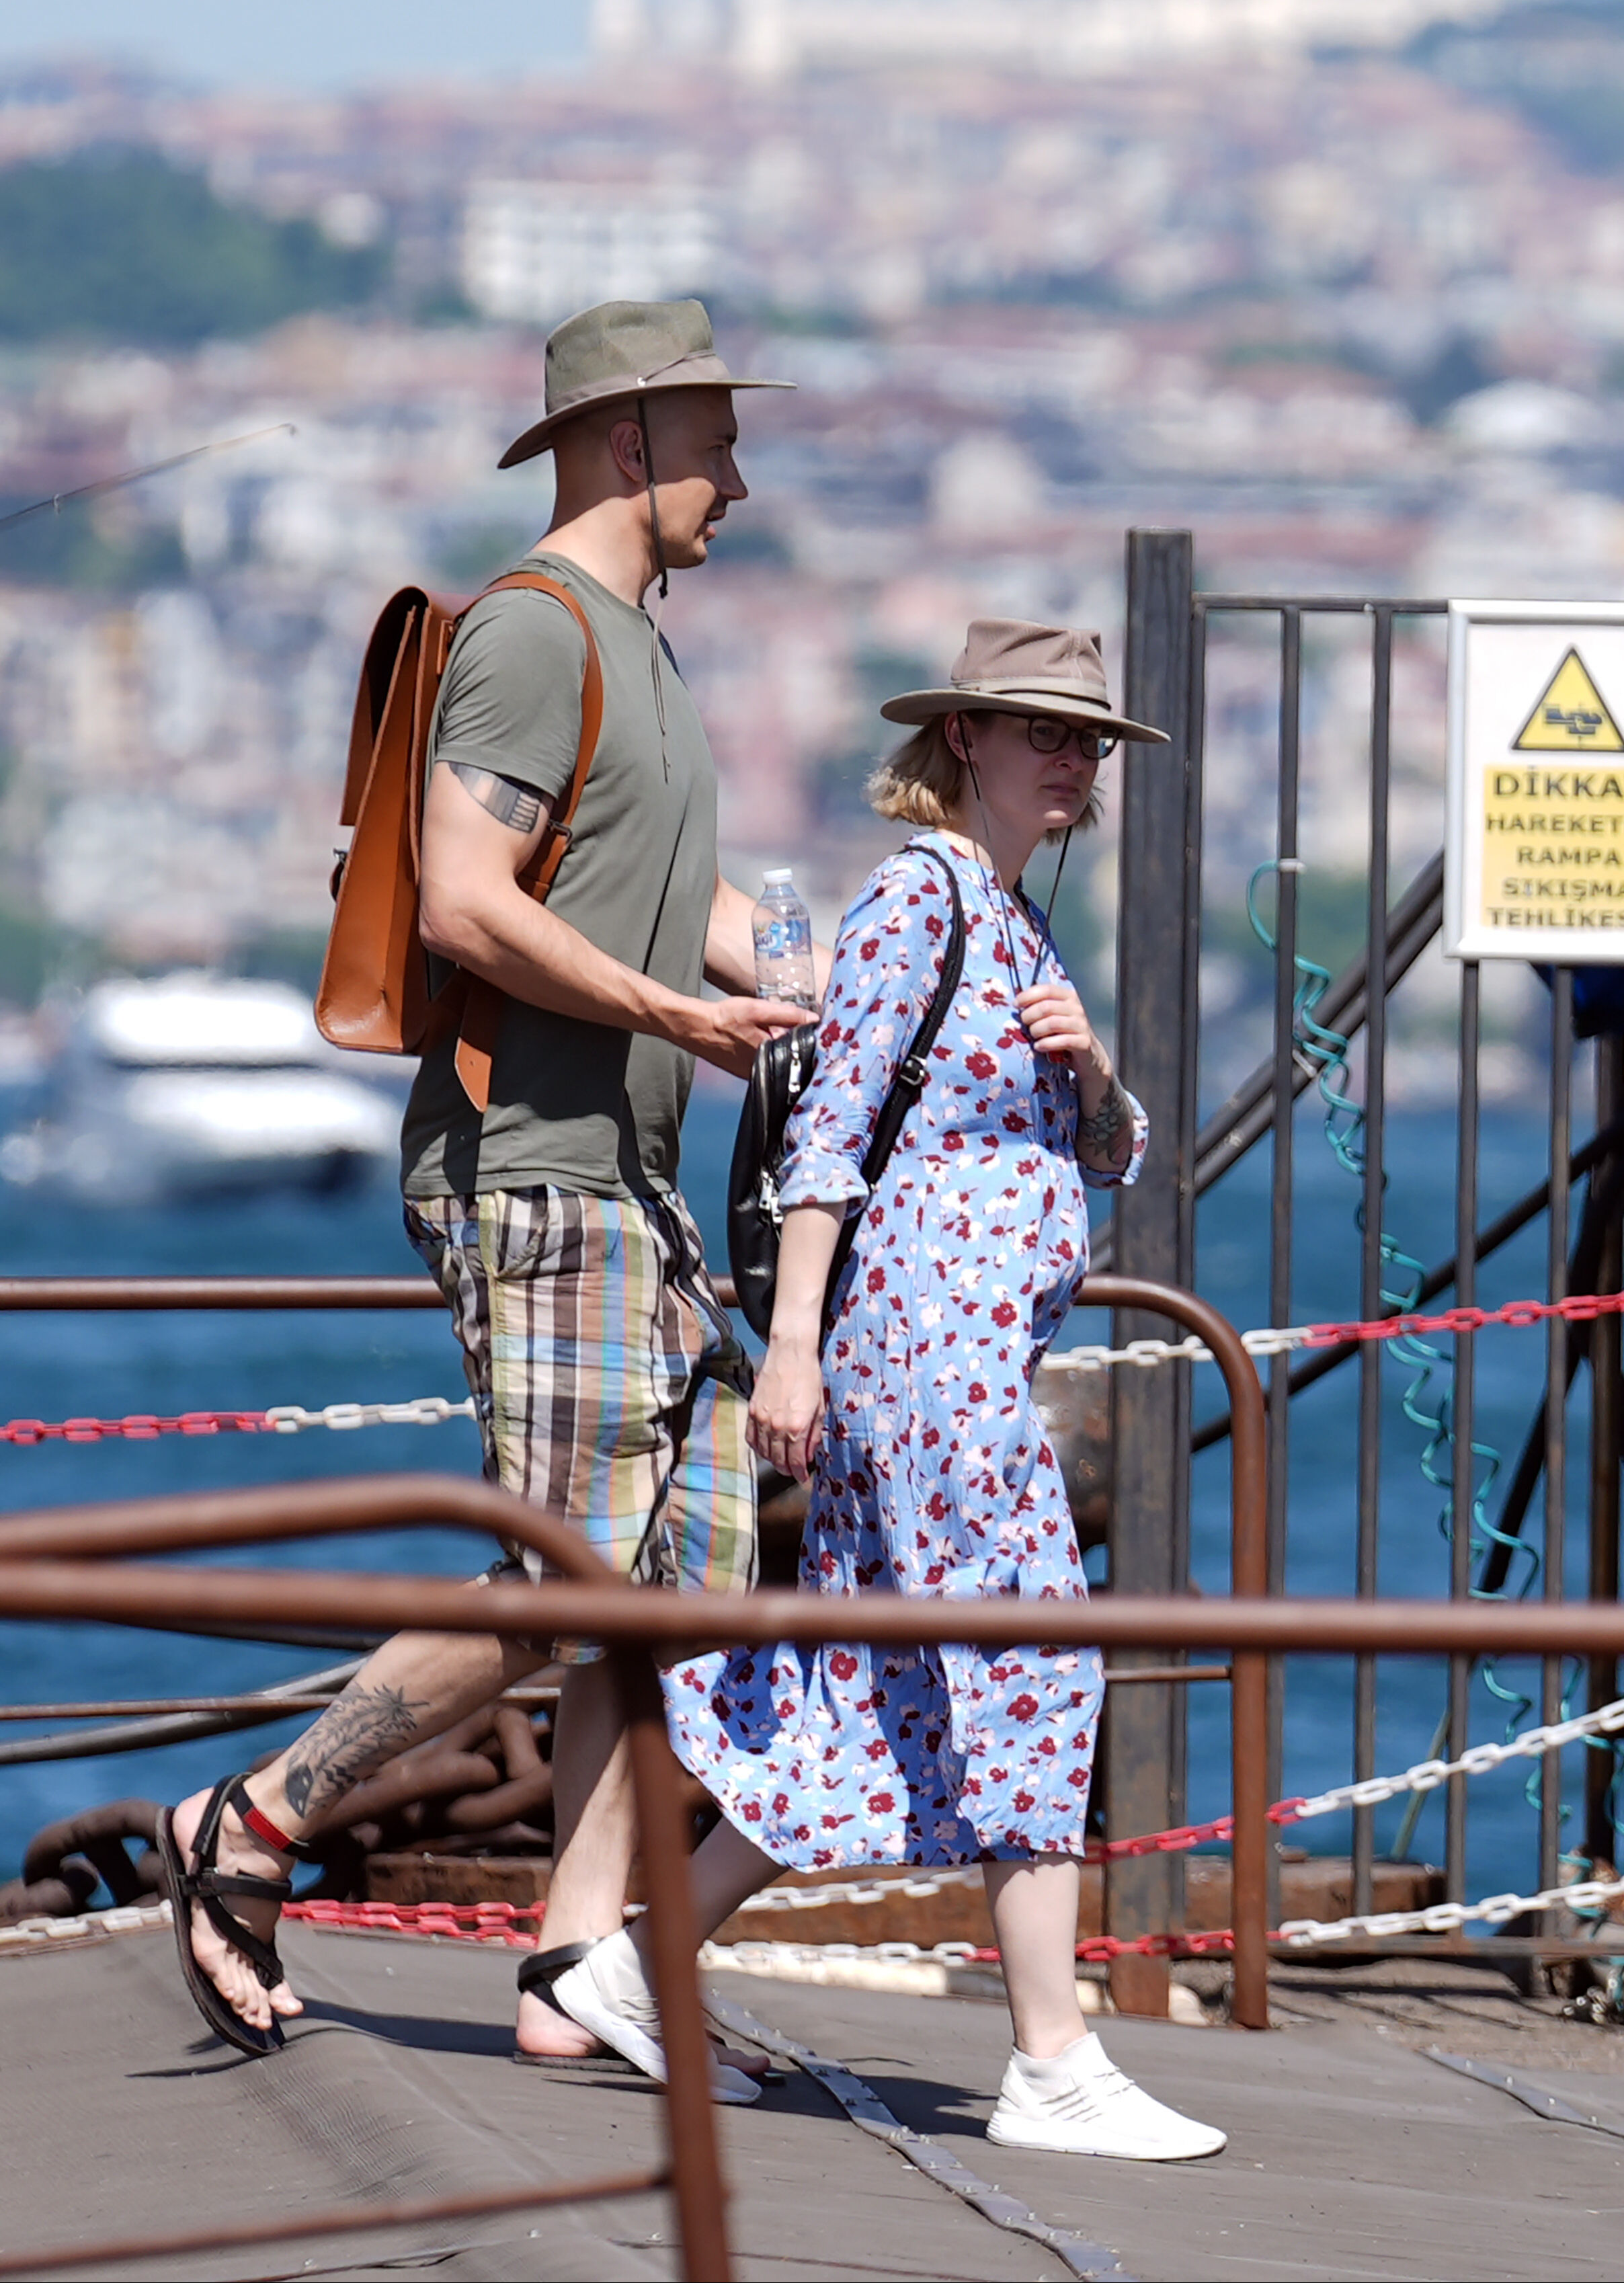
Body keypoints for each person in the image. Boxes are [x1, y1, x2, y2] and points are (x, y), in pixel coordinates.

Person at [160, 298, 809, 2094]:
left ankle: (577, 1957)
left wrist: (838, 976)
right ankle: (255, 1812)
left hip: (627, 1181)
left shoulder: (640, 653)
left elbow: (669, 905)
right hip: (539, 1170)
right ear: (630, 447)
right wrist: (682, 1007)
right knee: (565, 1572)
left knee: (670, 1586)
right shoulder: (535, 639)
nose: (737, 481)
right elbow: (463, 894)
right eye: (715, 444)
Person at [563, 619, 1225, 2159]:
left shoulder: (1013, 927)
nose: (1069, 760)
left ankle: (635, 1961)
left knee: (869, 1709)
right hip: (923, 1362)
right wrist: (788, 1339)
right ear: (962, 744)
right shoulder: (920, 900)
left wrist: (1093, 1072)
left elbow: (1106, 1152)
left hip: (962, 1356)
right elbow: (830, 1133)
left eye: (1086, 742)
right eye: (1037, 731)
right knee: (1032, 1670)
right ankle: (1051, 2059)